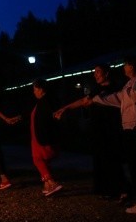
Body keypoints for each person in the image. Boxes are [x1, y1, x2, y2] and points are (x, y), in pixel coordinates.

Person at [90, 56, 136, 214]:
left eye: (126, 64)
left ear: (132, 67)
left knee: (134, 166)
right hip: (130, 129)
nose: (124, 67)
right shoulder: (130, 85)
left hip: (134, 129)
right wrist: (98, 99)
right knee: (135, 165)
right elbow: (119, 100)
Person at [54, 65, 128, 200]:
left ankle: (122, 190)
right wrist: (65, 108)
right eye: (94, 72)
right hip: (98, 131)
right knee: (101, 161)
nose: (95, 75)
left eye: (98, 72)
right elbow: (83, 101)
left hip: (111, 129)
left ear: (106, 73)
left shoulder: (115, 89)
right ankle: (108, 190)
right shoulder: (97, 90)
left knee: (113, 160)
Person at [30, 79, 63, 196]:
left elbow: (50, 118)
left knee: (38, 159)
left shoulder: (45, 102)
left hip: (42, 137)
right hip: (39, 136)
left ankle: (52, 182)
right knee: (43, 161)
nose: (34, 92)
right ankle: (47, 185)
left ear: (41, 90)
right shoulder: (42, 102)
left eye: (35, 89)